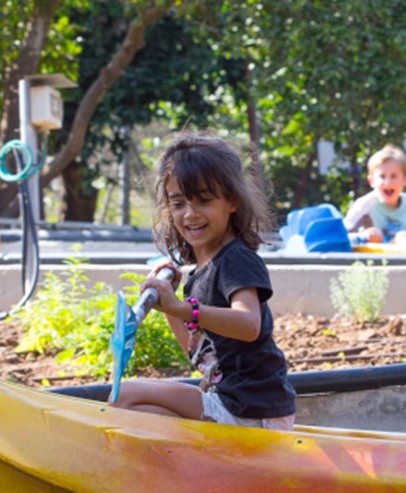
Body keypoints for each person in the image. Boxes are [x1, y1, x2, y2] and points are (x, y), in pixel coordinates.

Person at [109, 133, 296, 431]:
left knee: (127, 397)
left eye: (204, 201)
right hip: (233, 404)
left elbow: (249, 324)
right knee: (132, 404)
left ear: (232, 201)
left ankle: (187, 468)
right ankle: (192, 467)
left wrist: (184, 308)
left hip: (253, 411)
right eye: (179, 203)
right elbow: (198, 354)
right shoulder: (199, 273)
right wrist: (169, 305)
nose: (190, 214)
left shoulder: (236, 260)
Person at [343, 144, 406, 245]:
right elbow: (343, 234)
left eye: (394, 176)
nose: (388, 182)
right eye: (382, 176)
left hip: (404, 258)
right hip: (372, 258)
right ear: (371, 180)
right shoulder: (364, 205)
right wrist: (365, 236)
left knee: (402, 237)